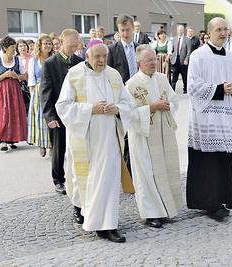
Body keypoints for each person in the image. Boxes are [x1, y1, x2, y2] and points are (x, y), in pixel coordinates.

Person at [56, 39, 133, 243]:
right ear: (87, 56)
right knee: (90, 182)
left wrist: (118, 109)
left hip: (110, 141)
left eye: (104, 56)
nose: (101, 60)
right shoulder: (74, 75)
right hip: (87, 141)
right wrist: (91, 109)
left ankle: (109, 224)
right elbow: (63, 106)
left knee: (108, 182)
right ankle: (97, 224)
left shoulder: (113, 75)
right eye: (97, 56)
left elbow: (127, 103)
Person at [186, 17, 232, 221]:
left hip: (226, 118)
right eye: (218, 30)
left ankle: (223, 200)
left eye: (225, 29)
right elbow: (193, 86)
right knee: (207, 162)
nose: (223, 33)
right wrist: (221, 89)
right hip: (206, 119)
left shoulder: (230, 57)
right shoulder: (198, 56)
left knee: (222, 160)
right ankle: (207, 202)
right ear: (208, 33)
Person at [126, 44, 182, 228]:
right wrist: (152, 107)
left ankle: (165, 209)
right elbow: (128, 113)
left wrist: (167, 105)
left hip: (163, 133)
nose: (153, 63)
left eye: (154, 59)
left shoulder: (161, 79)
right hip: (144, 136)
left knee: (164, 169)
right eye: (149, 60)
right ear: (139, 62)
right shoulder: (131, 85)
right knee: (147, 174)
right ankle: (151, 214)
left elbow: (174, 100)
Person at [39, 29, 85, 196]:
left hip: (77, 112)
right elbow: (45, 93)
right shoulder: (50, 63)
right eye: (70, 46)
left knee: (79, 147)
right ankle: (58, 180)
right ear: (61, 41)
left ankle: (79, 176)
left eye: (76, 46)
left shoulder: (81, 61)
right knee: (59, 149)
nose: (73, 49)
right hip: (58, 115)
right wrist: (49, 116)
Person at [107, 14, 139, 176]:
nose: (125, 33)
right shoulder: (112, 50)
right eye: (122, 30)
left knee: (139, 136)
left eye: (127, 30)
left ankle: (140, 172)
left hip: (140, 97)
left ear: (133, 28)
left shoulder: (141, 48)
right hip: (121, 98)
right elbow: (108, 76)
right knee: (125, 138)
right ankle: (128, 175)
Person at [0, 36, 27, 152]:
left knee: (15, 112)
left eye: (14, 47)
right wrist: (5, 75)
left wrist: (17, 76)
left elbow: (24, 76)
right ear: (5, 48)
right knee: (4, 113)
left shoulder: (18, 60)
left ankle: (13, 139)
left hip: (15, 88)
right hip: (3, 89)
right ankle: (4, 140)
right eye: (12, 47)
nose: (14, 49)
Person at [27, 34, 53, 157]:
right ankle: (42, 144)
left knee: (52, 117)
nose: (48, 46)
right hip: (38, 91)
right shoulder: (34, 61)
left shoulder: (54, 58)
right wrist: (33, 96)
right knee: (40, 119)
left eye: (49, 43)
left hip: (52, 90)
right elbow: (31, 80)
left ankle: (52, 145)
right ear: (40, 45)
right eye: (45, 43)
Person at [170, 25, 191, 93]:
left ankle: (185, 88)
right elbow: (172, 50)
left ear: (183, 31)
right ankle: (173, 90)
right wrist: (171, 58)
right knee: (174, 76)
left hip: (183, 60)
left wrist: (186, 59)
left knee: (184, 76)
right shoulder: (174, 39)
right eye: (179, 30)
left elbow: (188, 51)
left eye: (181, 30)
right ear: (177, 31)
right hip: (176, 59)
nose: (180, 31)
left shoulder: (187, 39)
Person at [16, 39, 34, 114]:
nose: (23, 47)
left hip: (29, 83)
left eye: (24, 45)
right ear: (17, 49)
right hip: (18, 84)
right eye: (20, 46)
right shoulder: (15, 58)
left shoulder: (32, 57)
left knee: (29, 106)